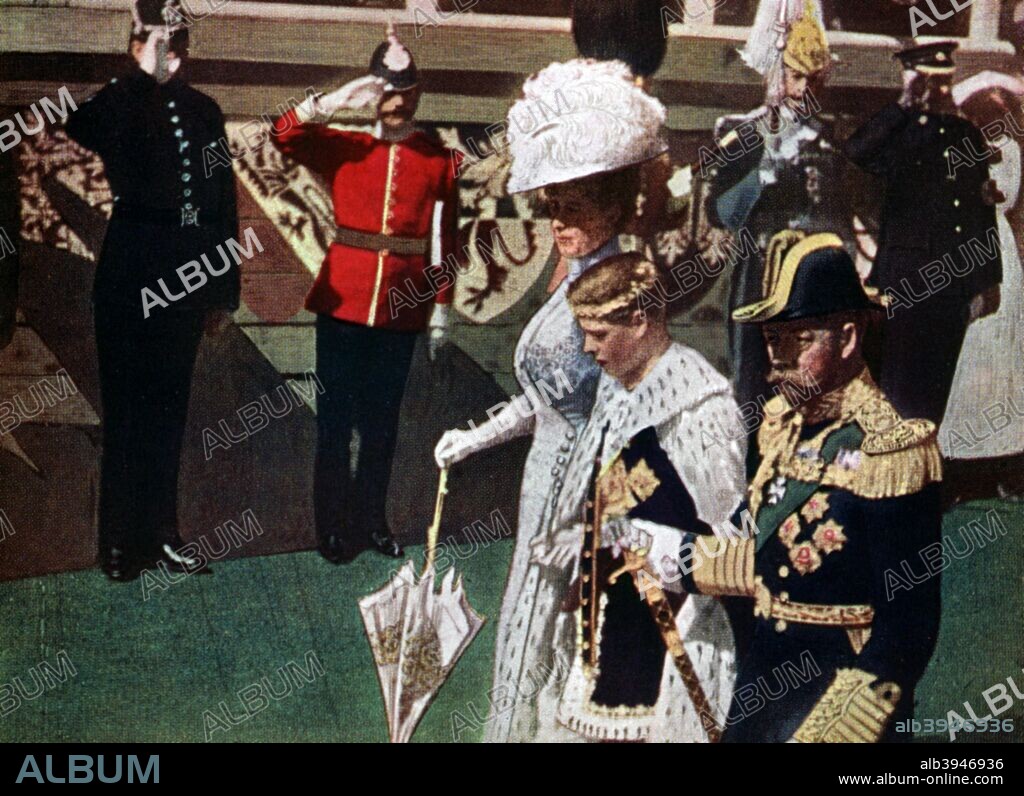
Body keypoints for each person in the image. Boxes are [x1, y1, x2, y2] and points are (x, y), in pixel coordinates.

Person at [432, 58, 668, 742]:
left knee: (555, 624)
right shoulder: (575, 283)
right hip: (544, 476)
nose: (560, 221)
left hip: (588, 490)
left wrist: (602, 517)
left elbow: (635, 411)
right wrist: (474, 439)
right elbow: (543, 396)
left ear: (613, 208)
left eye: (577, 207)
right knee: (530, 623)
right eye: (554, 206)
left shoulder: (623, 290)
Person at [672, 230, 943, 742]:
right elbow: (763, 554)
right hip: (764, 682)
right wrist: (679, 559)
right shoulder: (780, 428)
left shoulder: (892, 451)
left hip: (844, 699)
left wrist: (837, 730)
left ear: (846, 337)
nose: (777, 360)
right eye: (772, 340)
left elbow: (907, 628)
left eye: (798, 339)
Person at [528, 252, 745, 742]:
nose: (587, 348)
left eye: (598, 334)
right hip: (607, 620)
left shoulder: (701, 408)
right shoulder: (617, 390)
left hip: (673, 630)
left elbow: (729, 536)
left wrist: (654, 547)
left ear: (641, 320)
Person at [270, 24, 461, 563]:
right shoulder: (344, 147)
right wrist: (335, 100)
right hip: (343, 302)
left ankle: (371, 520)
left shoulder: (439, 160)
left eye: (403, 90)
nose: (394, 101)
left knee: (381, 424)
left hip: (403, 309)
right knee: (334, 422)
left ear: (418, 93)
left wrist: (442, 308)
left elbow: (446, 238)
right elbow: (282, 133)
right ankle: (330, 525)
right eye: (384, 89)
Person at [65, 0, 240, 582]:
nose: (171, 52)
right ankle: (118, 543)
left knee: (168, 414)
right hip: (129, 274)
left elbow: (221, 203)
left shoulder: (204, 111)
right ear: (135, 44)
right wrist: (143, 72)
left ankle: (164, 534)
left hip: (185, 278)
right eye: (157, 40)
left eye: (177, 41)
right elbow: (81, 124)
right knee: (126, 414)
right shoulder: (121, 104)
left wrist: (222, 290)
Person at [703, 0, 857, 461]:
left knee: (813, 369)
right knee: (753, 370)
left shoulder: (834, 141)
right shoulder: (745, 134)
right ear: (780, 76)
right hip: (761, 270)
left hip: (812, 276)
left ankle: (803, 461)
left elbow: (841, 220)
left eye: (814, 80)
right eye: (795, 76)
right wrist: (763, 175)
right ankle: (749, 462)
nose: (803, 89)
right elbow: (723, 212)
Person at [845, 41, 1002, 425]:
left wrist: (987, 279)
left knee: (941, 386)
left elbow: (978, 208)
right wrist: (903, 103)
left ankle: (931, 470)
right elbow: (857, 151)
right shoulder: (898, 130)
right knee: (901, 384)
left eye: (943, 82)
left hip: (954, 283)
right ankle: (897, 470)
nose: (938, 91)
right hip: (909, 280)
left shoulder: (965, 133)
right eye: (930, 82)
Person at [939, 72, 1024, 502]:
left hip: (996, 253)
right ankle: (958, 462)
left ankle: (999, 460)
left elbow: (1000, 196)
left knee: (995, 355)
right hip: (967, 246)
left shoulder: (1006, 151)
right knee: (967, 358)